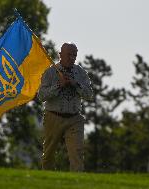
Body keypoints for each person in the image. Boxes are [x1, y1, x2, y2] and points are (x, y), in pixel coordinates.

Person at [37, 42, 93, 171]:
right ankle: (48, 179)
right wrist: (58, 85)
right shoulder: (50, 72)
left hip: (75, 118)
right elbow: (41, 96)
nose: (72, 58)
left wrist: (75, 84)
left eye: (74, 55)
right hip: (53, 116)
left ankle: (76, 181)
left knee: (77, 152)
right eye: (69, 55)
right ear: (60, 55)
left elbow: (89, 94)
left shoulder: (81, 73)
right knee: (49, 154)